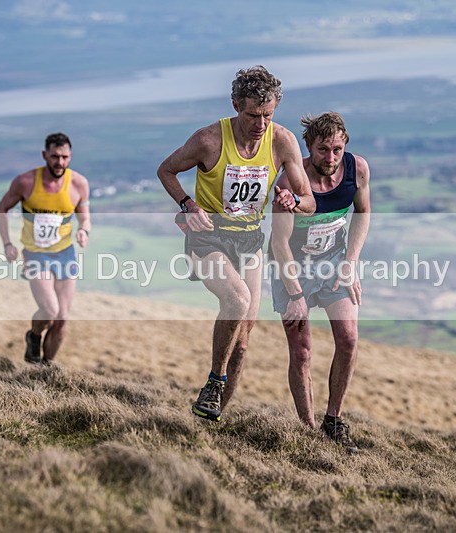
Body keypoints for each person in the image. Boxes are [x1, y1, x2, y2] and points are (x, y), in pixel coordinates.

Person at [157, 65, 315, 422]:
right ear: (235, 105)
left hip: (249, 241)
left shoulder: (282, 141)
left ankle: (209, 419)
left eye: (268, 115)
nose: (260, 124)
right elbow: (166, 169)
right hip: (208, 237)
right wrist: (187, 204)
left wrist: (294, 202)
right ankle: (214, 380)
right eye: (253, 115)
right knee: (237, 298)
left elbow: (309, 199)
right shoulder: (209, 139)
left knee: (243, 340)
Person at [269, 112, 371, 453]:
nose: (331, 158)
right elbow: (278, 243)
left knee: (349, 339)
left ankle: (333, 420)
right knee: (302, 352)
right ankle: (308, 431)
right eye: (323, 150)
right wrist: (295, 294)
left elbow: (363, 213)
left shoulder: (357, 170)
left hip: (333, 266)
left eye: (337, 150)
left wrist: (350, 263)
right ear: (308, 148)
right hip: (292, 270)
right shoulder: (290, 184)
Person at [0, 132, 91, 367]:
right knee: (49, 309)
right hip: (35, 253)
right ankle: (35, 335)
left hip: (65, 253)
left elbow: (85, 219)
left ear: (70, 156)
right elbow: (1, 209)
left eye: (65, 157)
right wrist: (7, 243)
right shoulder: (26, 182)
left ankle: (45, 368)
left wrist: (83, 231)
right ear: (44, 155)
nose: (60, 162)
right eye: (55, 156)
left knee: (61, 319)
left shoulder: (79, 183)